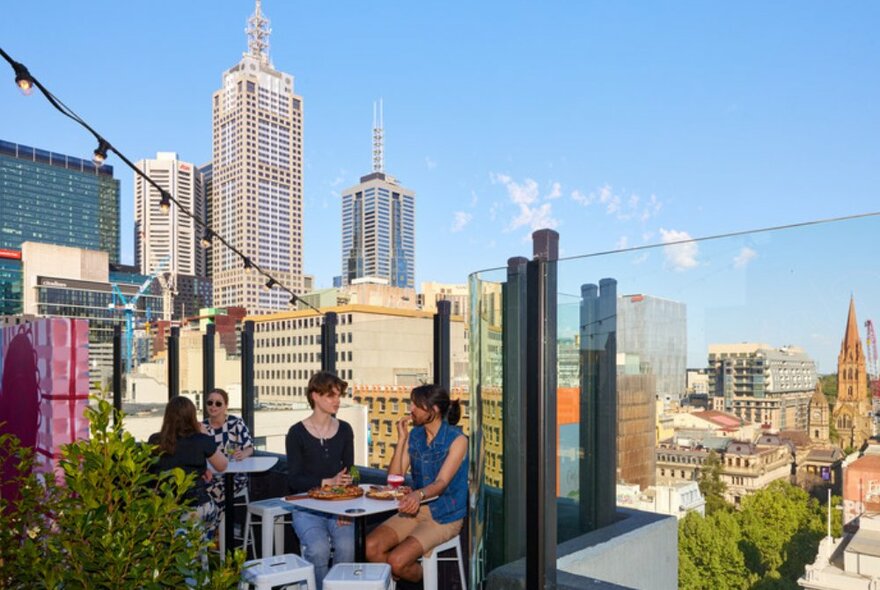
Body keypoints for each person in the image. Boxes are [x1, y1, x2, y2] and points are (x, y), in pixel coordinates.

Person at [365, 384, 468, 584]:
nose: (411, 409)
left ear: (434, 409)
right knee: (370, 547)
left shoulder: (457, 440)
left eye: (416, 405)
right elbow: (394, 478)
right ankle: (407, 577)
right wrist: (402, 439)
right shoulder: (415, 436)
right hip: (415, 509)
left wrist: (417, 495)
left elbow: (441, 482)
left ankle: (428, 580)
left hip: (444, 517)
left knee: (397, 561)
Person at [286, 372, 356, 588]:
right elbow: (295, 480)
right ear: (315, 396)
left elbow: (350, 472)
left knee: (347, 548)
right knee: (318, 550)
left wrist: (348, 510)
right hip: (306, 508)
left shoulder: (345, 429)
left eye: (338, 395)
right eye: (331, 396)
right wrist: (327, 482)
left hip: (338, 508)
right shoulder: (296, 433)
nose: (337, 401)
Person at [150, 396, 228, 534]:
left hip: (163, 509)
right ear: (192, 416)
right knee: (212, 510)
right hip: (196, 508)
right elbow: (222, 465)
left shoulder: (155, 440)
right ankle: (201, 549)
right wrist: (205, 435)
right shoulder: (200, 440)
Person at [202, 388, 254, 532]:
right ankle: (215, 532)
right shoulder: (202, 427)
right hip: (211, 476)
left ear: (226, 406)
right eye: (210, 402)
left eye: (218, 403)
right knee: (202, 490)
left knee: (214, 492)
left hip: (235, 476)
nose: (213, 406)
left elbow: (250, 447)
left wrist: (243, 453)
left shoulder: (236, 423)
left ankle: (210, 532)